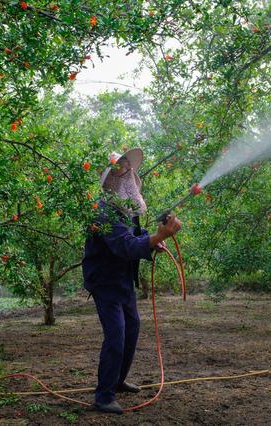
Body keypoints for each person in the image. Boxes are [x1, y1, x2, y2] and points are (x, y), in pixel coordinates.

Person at [82, 148, 182, 414]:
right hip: (105, 282)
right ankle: (103, 396)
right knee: (116, 335)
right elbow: (124, 246)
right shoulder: (103, 213)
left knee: (132, 329)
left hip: (124, 278)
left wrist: (152, 241)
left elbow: (137, 235)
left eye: (129, 170)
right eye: (120, 171)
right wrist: (157, 238)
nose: (127, 175)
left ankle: (118, 381)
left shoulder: (128, 211)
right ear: (111, 181)